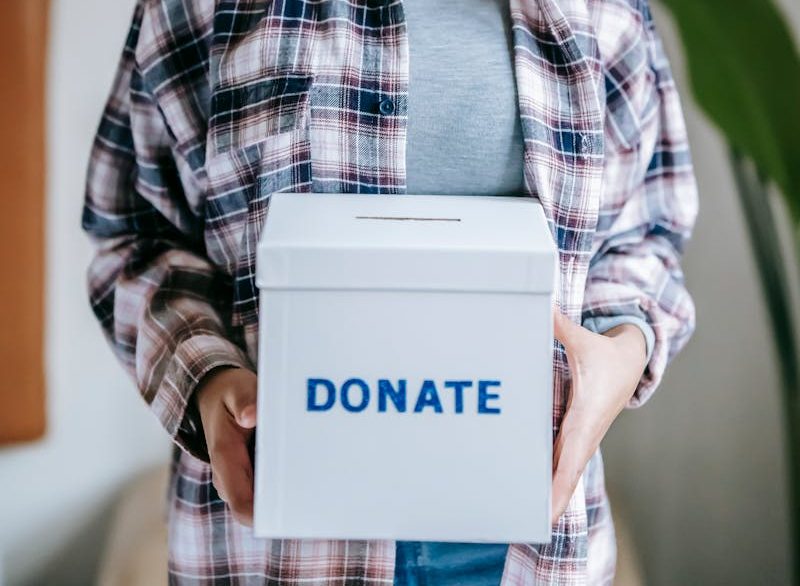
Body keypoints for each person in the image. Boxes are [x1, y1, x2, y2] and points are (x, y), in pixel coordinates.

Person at [82, 0, 697, 583]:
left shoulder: (602, 12)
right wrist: (205, 375)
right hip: (278, 546)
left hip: (522, 546)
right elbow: (134, 236)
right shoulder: (198, 8)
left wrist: (622, 348)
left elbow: (645, 232)